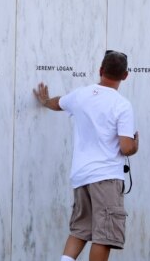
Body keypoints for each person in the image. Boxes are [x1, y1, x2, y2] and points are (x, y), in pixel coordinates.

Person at [33, 50, 139, 261]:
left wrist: (45, 101)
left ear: (100, 70)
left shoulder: (81, 95)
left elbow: (58, 103)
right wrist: (136, 143)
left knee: (80, 230)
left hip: (81, 176)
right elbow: (126, 148)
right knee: (104, 236)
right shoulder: (122, 105)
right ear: (125, 76)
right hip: (106, 178)